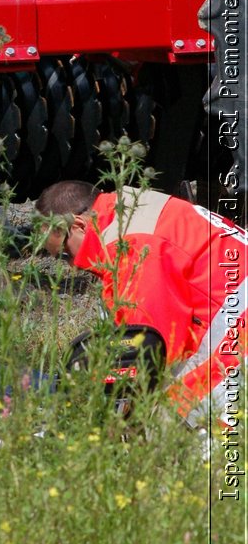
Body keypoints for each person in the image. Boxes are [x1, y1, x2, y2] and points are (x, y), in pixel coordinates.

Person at [36, 180, 248, 429]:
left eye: (65, 253)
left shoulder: (133, 250)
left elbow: (151, 351)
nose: (72, 265)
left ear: (80, 225)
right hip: (231, 323)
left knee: (184, 444)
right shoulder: (133, 208)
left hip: (238, 342)